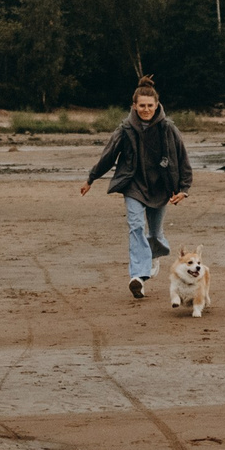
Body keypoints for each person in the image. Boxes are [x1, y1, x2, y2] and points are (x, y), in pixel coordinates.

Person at [79, 81, 193, 298]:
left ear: (157, 105)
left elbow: (182, 158)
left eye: (150, 105)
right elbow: (109, 155)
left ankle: (152, 256)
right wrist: (91, 178)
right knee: (136, 227)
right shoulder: (125, 129)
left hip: (161, 187)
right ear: (134, 106)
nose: (146, 109)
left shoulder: (168, 128)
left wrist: (184, 188)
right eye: (142, 106)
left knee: (156, 232)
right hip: (133, 185)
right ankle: (138, 277)